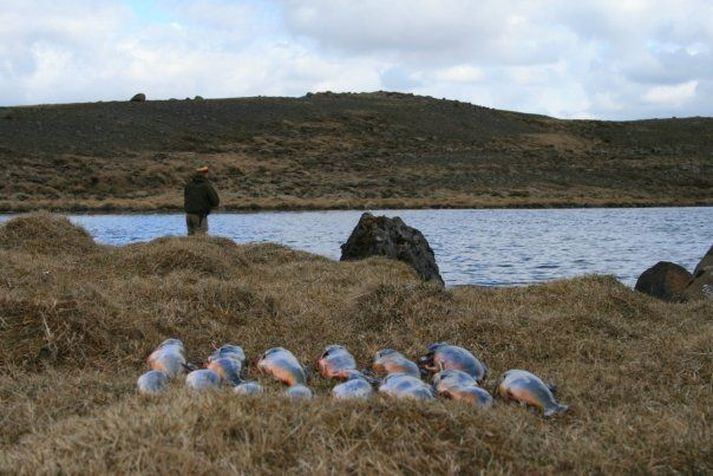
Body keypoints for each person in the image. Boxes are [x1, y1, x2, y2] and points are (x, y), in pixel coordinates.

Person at [184, 166, 220, 235]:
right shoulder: (206, 185)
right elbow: (215, 201)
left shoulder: (188, 185)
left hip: (188, 215)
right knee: (201, 237)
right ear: (205, 174)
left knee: (190, 237)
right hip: (199, 215)